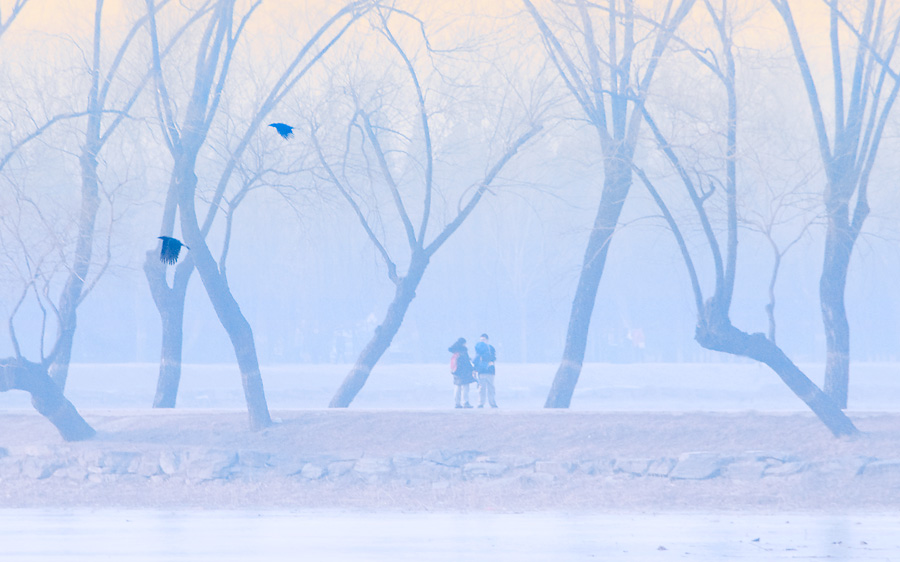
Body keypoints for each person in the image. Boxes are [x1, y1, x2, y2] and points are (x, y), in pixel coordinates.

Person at [448, 337, 475, 408]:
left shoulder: (456, 352)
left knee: (457, 388)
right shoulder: (463, 352)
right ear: (463, 343)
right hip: (464, 373)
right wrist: (472, 369)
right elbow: (466, 363)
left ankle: (457, 403)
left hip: (456, 373)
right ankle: (465, 402)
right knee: (465, 387)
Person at [473, 333, 498, 408]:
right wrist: (475, 369)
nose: (482, 341)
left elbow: (493, 358)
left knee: (491, 388)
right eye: (481, 340)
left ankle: (492, 402)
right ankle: (481, 403)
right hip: (482, 371)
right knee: (481, 388)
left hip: (490, 371)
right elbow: (477, 359)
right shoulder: (479, 349)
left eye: (483, 340)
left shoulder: (490, 348)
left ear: (487, 340)